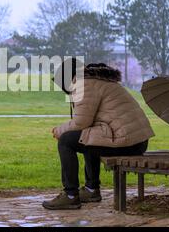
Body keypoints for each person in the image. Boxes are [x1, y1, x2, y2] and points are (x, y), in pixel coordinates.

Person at [42, 60, 155, 210]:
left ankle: (70, 195)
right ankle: (91, 189)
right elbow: (86, 124)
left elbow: (80, 123)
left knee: (66, 141)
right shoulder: (99, 81)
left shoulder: (84, 84)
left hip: (126, 142)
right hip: (137, 141)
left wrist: (58, 130)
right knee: (88, 136)